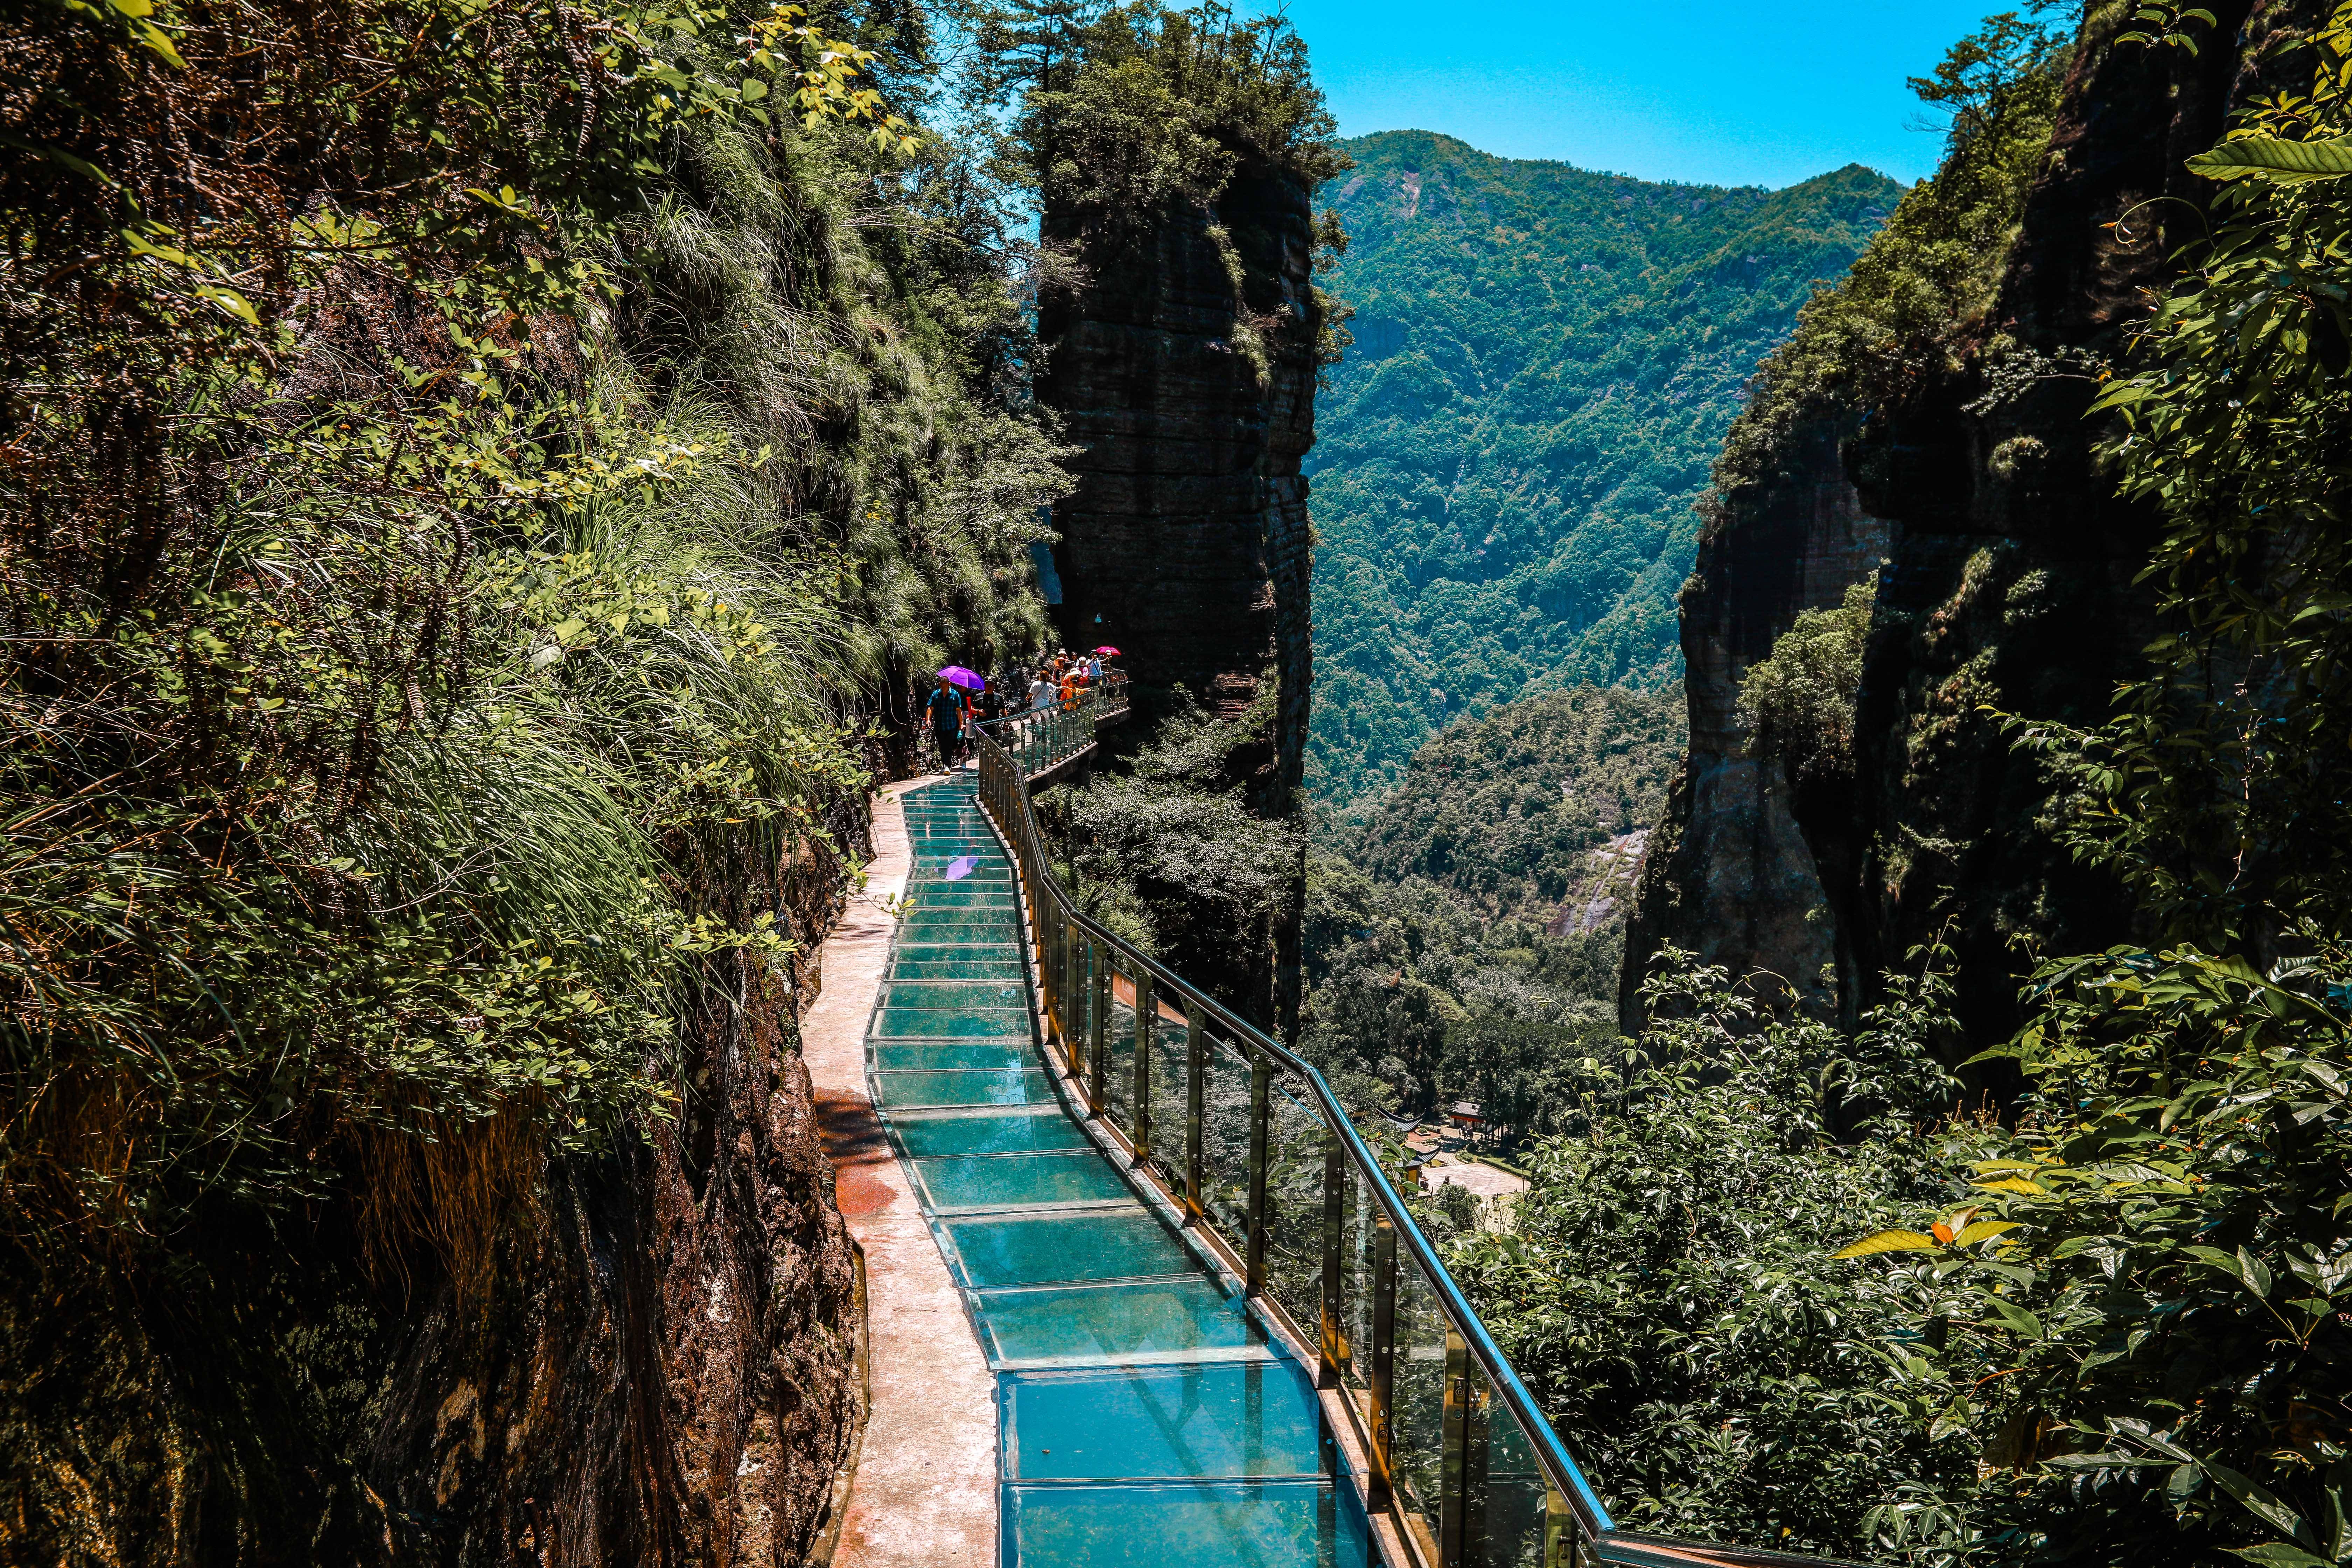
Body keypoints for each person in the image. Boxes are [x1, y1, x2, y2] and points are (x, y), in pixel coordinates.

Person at [925, 676, 966, 770]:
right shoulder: (936, 694)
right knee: (942, 745)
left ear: (949, 684)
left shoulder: (955, 695)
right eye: (941, 686)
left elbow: (959, 711)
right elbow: (930, 708)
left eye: (945, 686)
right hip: (940, 725)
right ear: (940, 685)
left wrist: (961, 724)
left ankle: (947, 766)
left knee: (948, 745)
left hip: (951, 725)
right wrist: (928, 719)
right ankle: (945, 765)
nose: (943, 688)